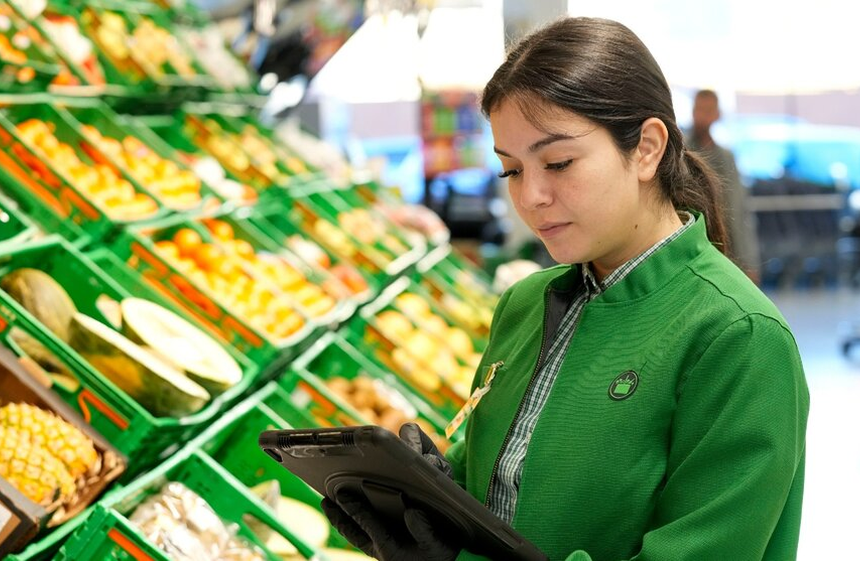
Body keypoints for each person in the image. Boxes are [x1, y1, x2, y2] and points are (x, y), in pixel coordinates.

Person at [321, 17, 809, 561]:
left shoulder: (738, 337)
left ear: (646, 148)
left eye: (558, 163)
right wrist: (428, 495)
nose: (531, 196)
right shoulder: (525, 304)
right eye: (511, 171)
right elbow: (502, 484)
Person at [688, 89, 763, 282]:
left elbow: (739, 212)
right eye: (698, 109)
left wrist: (749, 262)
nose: (701, 116)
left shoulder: (726, 159)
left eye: (708, 110)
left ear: (717, 115)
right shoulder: (680, 153)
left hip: (723, 251)